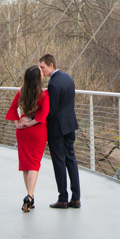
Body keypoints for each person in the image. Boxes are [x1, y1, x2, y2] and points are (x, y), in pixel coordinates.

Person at [5, 65, 50, 212]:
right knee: (34, 164)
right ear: (38, 79)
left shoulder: (21, 92)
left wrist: (18, 122)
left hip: (22, 132)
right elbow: (43, 115)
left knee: (26, 164)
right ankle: (30, 197)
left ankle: (30, 196)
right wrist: (30, 123)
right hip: (37, 132)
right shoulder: (44, 94)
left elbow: (12, 110)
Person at [39, 53, 81, 209]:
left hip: (57, 129)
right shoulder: (69, 78)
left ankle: (63, 198)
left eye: (42, 67)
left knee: (59, 162)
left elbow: (52, 111)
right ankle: (76, 198)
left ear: (51, 65)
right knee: (71, 159)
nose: (41, 70)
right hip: (70, 125)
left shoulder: (53, 84)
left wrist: (36, 119)